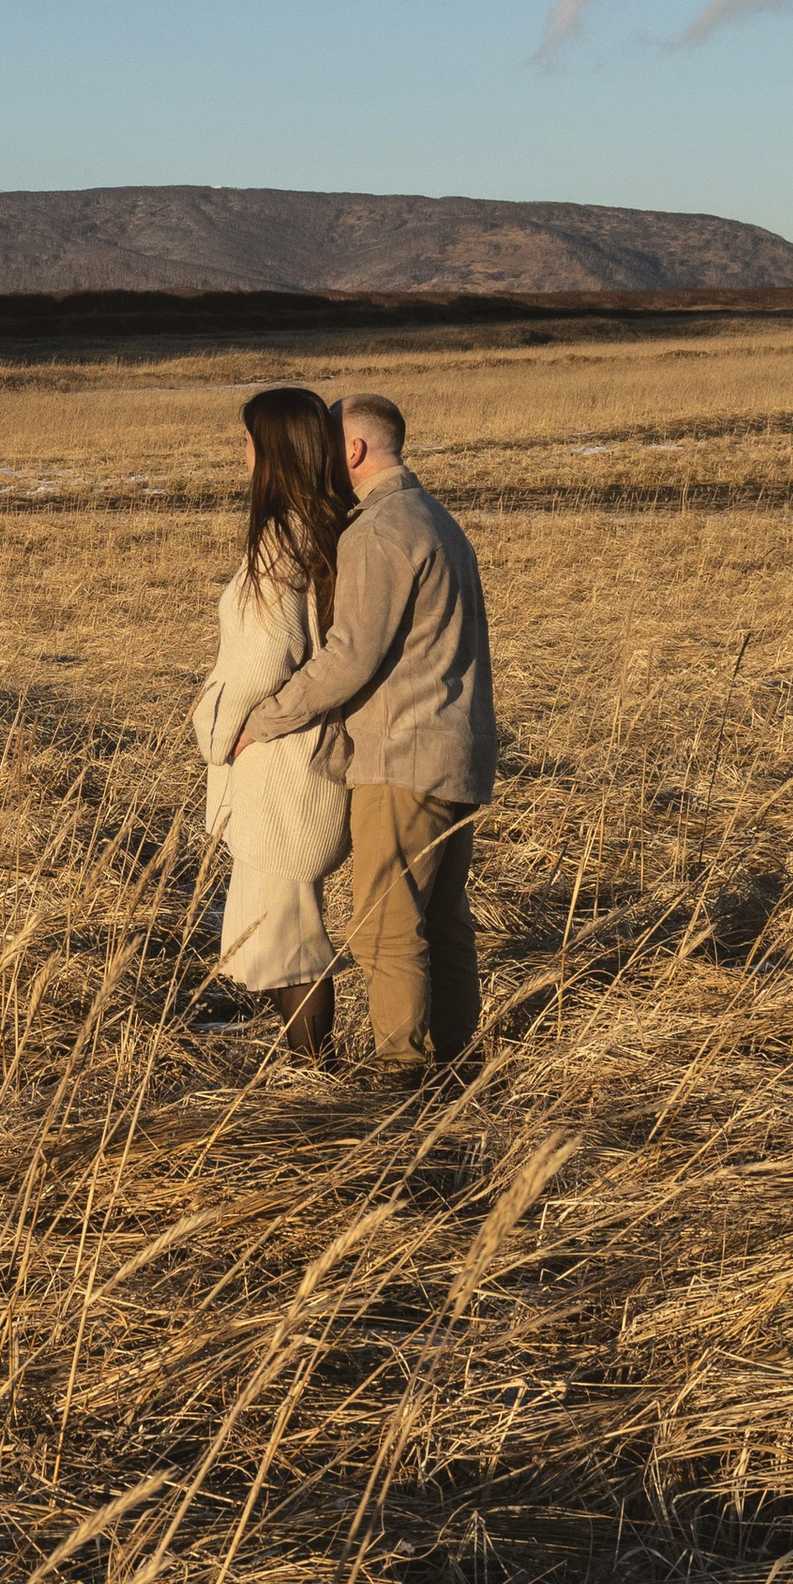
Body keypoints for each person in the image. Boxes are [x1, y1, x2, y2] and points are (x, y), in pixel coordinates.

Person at [231, 391, 495, 1075]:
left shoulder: (377, 532)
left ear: (352, 450)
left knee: (384, 928)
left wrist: (263, 719)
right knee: (443, 922)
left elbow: (349, 657)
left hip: (403, 757)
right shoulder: (438, 519)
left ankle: (402, 1075)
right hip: (460, 752)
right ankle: (458, 1065)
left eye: (328, 444)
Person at [189, 385, 356, 1063]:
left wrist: (219, 729)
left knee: (289, 937)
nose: (243, 454)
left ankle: (315, 1075)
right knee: (284, 929)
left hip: (280, 767)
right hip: (306, 756)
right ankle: (308, 1067)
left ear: (274, 451)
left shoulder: (280, 538)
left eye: (248, 442)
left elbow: (264, 658)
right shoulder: (326, 527)